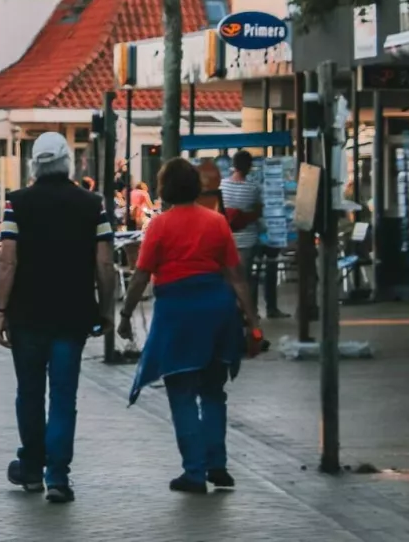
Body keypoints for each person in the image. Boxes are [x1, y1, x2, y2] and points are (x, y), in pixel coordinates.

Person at [119, 158, 256, 494]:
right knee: (213, 391)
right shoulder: (217, 222)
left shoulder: (160, 226)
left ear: (165, 188)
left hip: (177, 313)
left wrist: (125, 315)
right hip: (217, 309)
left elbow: (140, 277)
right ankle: (217, 463)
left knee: (181, 392)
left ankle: (194, 472)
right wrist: (253, 319)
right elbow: (235, 276)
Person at [0, 132, 116, 504]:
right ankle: (58, 476)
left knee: (29, 392)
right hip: (72, 314)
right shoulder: (93, 204)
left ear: (35, 163)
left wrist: (0, 310)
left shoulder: (17, 203)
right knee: (64, 395)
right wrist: (106, 308)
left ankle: (31, 468)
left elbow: (8, 261)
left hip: (27, 314)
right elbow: (105, 262)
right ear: (67, 162)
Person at [221, 150, 286, 319]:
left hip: (227, 239)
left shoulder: (222, 186)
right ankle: (250, 312)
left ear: (233, 165)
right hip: (247, 240)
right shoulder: (253, 188)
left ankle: (232, 311)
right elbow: (258, 211)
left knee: (229, 278)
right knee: (246, 278)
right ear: (249, 167)